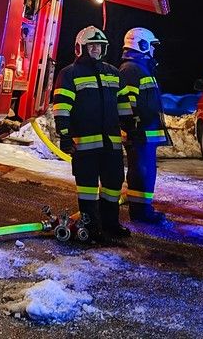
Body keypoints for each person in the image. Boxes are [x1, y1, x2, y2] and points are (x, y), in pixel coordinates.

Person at [52, 26, 133, 243]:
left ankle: (110, 224)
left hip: (111, 145)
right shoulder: (69, 74)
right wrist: (65, 135)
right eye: (92, 45)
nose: (96, 49)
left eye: (99, 45)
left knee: (113, 185)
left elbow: (123, 103)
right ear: (81, 48)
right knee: (87, 189)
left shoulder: (113, 72)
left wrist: (130, 125)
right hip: (85, 146)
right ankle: (91, 228)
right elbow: (62, 108)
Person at [119, 27, 170, 225]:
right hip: (140, 133)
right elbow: (126, 104)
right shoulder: (131, 70)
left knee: (145, 171)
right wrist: (133, 128)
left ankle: (143, 209)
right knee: (141, 172)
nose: (154, 50)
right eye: (152, 45)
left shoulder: (139, 68)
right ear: (141, 45)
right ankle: (141, 213)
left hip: (144, 132)